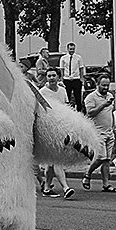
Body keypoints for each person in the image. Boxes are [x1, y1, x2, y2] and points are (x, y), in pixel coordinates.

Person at [35, 68, 74, 198]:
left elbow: (67, 107)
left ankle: (46, 187)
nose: (51, 78)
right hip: (48, 129)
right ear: (46, 78)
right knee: (57, 158)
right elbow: (38, 112)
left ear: (58, 77)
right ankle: (65, 187)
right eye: (49, 76)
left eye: (54, 75)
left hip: (61, 127)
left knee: (51, 161)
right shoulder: (42, 92)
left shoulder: (62, 91)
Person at [82, 74, 116, 192]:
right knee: (100, 158)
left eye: (107, 85)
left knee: (107, 160)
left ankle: (106, 184)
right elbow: (90, 113)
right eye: (103, 85)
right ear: (97, 85)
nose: (105, 87)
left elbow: (111, 114)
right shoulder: (91, 97)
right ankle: (87, 174)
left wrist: (114, 127)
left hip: (109, 132)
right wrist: (103, 105)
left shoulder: (109, 96)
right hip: (98, 133)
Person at [58, 42, 85, 109]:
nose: (72, 51)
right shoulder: (63, 58)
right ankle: (68, 110)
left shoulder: (78, 57)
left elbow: (81, 68)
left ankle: (79, 110)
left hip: (76, 79)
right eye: (70, 49)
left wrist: (81, 78)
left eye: (73, 49)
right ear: (67, 49)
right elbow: (62, 69)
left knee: (78, 97)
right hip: (67, 79)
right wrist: (62, 78)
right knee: (67, 96)